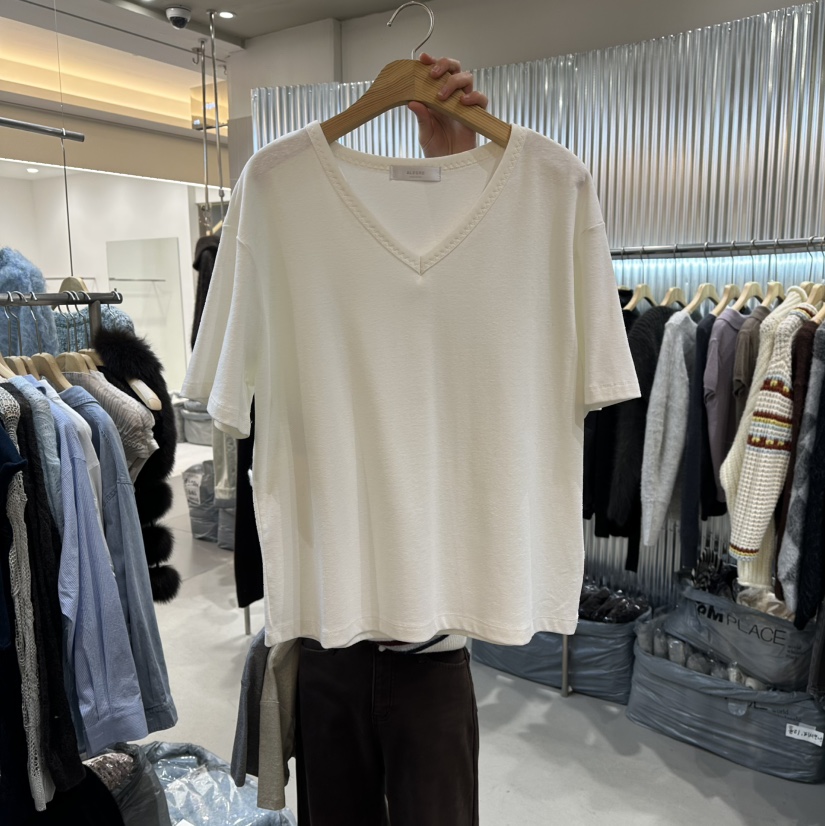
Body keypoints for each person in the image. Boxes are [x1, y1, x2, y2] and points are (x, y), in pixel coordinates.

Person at [295, 53, 489, 826]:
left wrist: (459, 167)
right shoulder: (281, 200)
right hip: (327, 627)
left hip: (434, 645)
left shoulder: (531, 209)